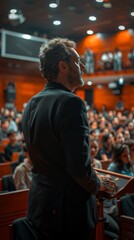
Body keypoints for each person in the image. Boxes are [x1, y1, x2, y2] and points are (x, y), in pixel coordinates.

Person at [22, 37, 116, 240]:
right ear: (63, 66)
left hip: (40, 205)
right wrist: (99, 184)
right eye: (77, 61)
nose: (82, 66)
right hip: (67, 213)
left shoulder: (31, 103)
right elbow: (78, 168)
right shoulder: (71, 102)